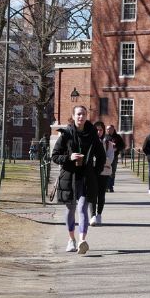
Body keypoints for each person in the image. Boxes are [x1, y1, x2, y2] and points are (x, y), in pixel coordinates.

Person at [51, 105, 105, 255]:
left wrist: (95, 172)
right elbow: (54, 156)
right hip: (69, 176)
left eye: (83, 114)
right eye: (78, 114)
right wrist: (69, 157)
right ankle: (71, 239)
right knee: (70, 209)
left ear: (86, 116)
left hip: (86, 177)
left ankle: (82, 240)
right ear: (74, 116)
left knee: (82, 208)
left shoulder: (92, 135)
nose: (81, 117)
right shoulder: (66, 134)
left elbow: (101, 156)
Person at [92, 121, 115, 225]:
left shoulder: (108, 143)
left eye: (100, 130)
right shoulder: (90, 142)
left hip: (104, 172)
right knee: (92, 194)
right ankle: (92, 215)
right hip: (92, 172)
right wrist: (102, 159)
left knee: (101, 194)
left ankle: (99, 214)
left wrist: (99, 160)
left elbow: (110, 159)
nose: (98, 132)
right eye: (96, 129)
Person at [105, 124, 125, 192]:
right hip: (106, 157)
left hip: (114, 157)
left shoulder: (117, 137)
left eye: (109, 129)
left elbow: (123, 146)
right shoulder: (105, 137)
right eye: (107, 129)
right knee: (106, 171)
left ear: (113, 129)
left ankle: (111, 186)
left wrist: (117, 148)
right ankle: (106, 186)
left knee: (112, 172)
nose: (108, 130)